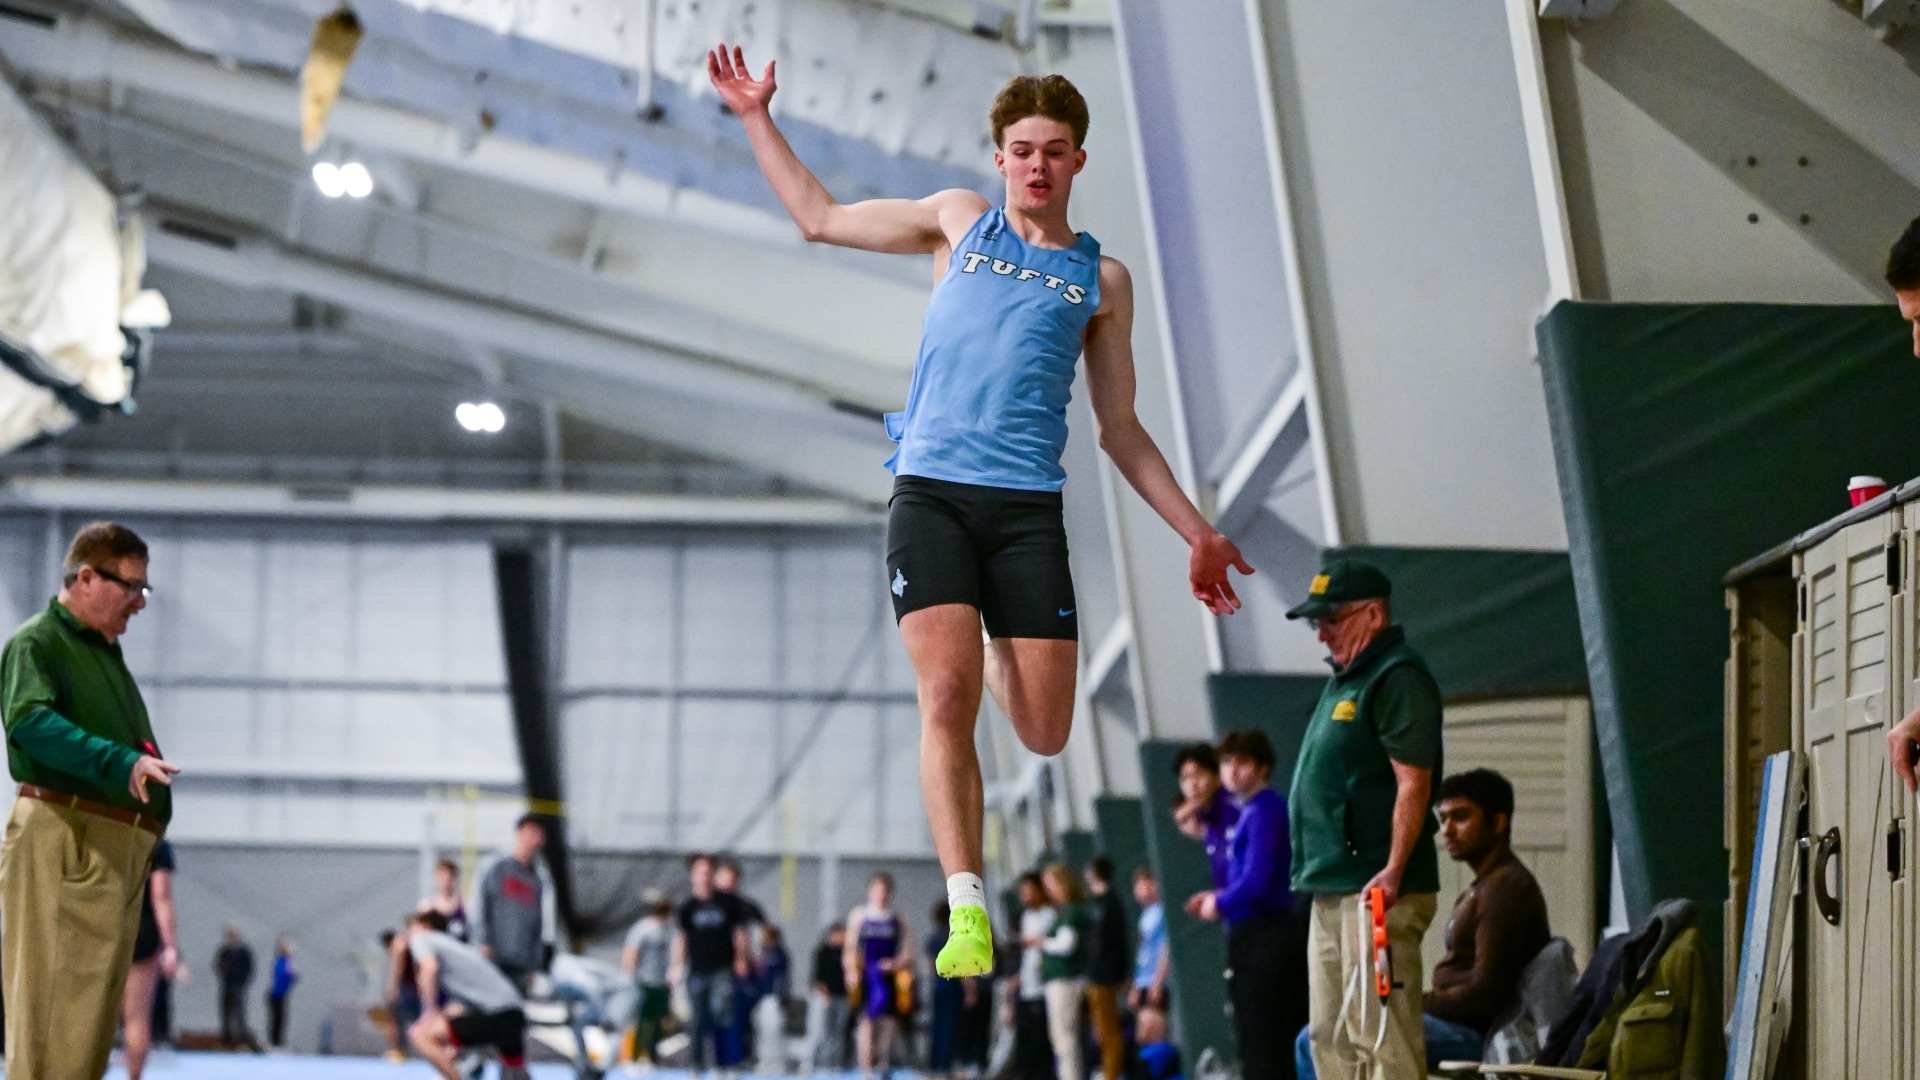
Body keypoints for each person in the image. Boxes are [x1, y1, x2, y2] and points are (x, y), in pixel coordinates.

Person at [706, 46, 1253, 981]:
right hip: (931, 494)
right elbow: (820, 217)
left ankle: (996, 632)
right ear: (999, 158)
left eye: (1055, 149)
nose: (1036, 163)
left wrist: (1196, 530)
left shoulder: (1102, 281)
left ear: (1079, 161)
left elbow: (1120, 430)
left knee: (1044, 729)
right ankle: (968, 908)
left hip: (1027, 512)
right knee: (946, 695)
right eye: (1021, 148)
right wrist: (757, 115)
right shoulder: (958, 223)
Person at [0, 521, 177, 1078]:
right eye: (130, 586)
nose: (138, 602)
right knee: (52, 1023)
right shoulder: (38, 642)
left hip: (103, 847)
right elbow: (29, 723)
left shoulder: (102, 652)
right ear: (85, 577)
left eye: (143, 590)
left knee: (84, 1033)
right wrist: (119, 762)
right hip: (67, 838)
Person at [1286, 559, 1444, 1080]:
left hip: (1375, 889)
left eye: (1332, 619)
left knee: (1382, 1036)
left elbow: (1412, 781)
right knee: (1329, 1036)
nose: (1322, 634)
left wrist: (1395, 868)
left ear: (1373, 615)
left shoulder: (1397, 676)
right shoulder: (1344, 682)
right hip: (1331, 886)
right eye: (1317, 623)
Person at [1292, 769, 1552, 1077]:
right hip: (1455, 1024)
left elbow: (1484, 997)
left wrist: (1414, 1001)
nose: (1448, 830)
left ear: (1498, 821)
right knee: (1330, 1032)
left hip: (1476, 1034)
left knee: (1324, 1039)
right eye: (1443, 820)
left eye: (1461, 817)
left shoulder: (1508, 888)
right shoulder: (1486, 884)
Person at [1186, 730, 1306, 1080]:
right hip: (1254, 934)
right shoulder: (1247, 813)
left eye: (1242, 762)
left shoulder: (1265, 809)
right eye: (1226, 763)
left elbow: (1256, 880)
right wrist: (1216, 898)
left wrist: (1218, 902)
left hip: (1267, 936)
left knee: (1266, 1037)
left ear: (1262, 766)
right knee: (1256, 1036)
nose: (1232, 771)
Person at [407, 910, 530, 1080]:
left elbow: (429, 968)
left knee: (421, 1034)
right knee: (517, 1074)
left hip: (496, 1014)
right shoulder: (457, 949)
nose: (407, 933)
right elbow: (461, 1006)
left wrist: (429, 1011)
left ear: (426, 927)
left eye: (411, 927)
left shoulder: (424, 939)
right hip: (514, 1015)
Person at [671, 852, 752, 1071]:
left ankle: (724, 1064)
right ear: (692, 875)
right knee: (698, 1019)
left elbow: (740, 933)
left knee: (722, 1013)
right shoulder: (687, 906)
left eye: (708, 872)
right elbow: (681, 939)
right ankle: (696, 1065)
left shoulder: (728, 903)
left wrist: (741, 958)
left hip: (722, 969)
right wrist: (677, 966)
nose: (705, 877)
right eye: (700, 872)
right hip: (697, 970)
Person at [472, 814, 552, 992]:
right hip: (494, 958)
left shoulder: (538, 879)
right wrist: (483, 942)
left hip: (522, 964)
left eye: (539, 834)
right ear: (520, 833)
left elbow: (538, 924)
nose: (536, 839)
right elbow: (480, 906)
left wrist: (534, 965)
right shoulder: (496, 868)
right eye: (532, 832)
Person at [846, 872, 913, 1079]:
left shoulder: (897, 918)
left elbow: (910, 950)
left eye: (885, 891)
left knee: (889, 1022)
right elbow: (850, 948)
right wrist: (851, 972)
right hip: (867, 974)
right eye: (877, 890)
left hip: (889, 975)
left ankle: (883, 1063)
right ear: (870, 891)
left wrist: (896, 963)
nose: (881, 895)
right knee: (866, 1021)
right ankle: (866, 1069)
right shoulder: (860, 915)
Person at [121, 838, 178, 1080]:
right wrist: (170, 946)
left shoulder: (102, 830)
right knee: (137, 1017)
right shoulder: (156, 843)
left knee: (93, 1016)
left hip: (101, 927)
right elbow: (160, 896)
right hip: (140, 931)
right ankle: (134, 1077)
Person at [1037, 863, 1090, 1080]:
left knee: (1065, 1037)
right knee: (1061, 1037)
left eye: (1051, 885)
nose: (1048, 891)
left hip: (1066, 981)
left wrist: (1042, 943)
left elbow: (1067, 944)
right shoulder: (1063, 912)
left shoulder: (1072, 911)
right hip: (1059, 981)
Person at [1082, 857, 1130, 1080]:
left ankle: (1113, 1074)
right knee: (1101, 1032)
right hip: (1095, 975)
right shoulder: (1097, 903)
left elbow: (1118, 940)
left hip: (1106, 976)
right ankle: (1108, 1070)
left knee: (1110, 1032)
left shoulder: (1111, 903)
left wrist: (1119, 973)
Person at [1171, 742, 1238, 889]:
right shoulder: (1206, 818)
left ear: (1217, 776)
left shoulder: (1235, 808)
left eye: (1199, 774)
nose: (1192, 785)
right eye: (1185, 778)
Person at [1009, 872, 1056, 1080]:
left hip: (1044, 987)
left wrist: (1036, 941)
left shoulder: (1049, 914)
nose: (1025, 896)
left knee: (1042, 1039)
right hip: (1028, 987)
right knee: (1027, 1038)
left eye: (1029, 891)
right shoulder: (1026, 917)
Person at [622, 892, 675, 1064]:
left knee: (659, 1021)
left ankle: (653, 1056)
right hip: (644, 981)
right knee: (643, 1021)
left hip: (662, 982)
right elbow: (631, 951)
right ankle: (636, 1056)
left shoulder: (670, 929)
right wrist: (630, 975)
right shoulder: (644, 928)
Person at [927, 900, 964, 1079]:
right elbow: (961, 965)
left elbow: (930, 966)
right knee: (950, 1026)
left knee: (938, 1025)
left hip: (938, 985)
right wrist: (969, 988)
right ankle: (947, 1064)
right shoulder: (952, 937)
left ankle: (936, 1063)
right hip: (952, 985)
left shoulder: (934, 938)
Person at [812, 922, 853, 1070]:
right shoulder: (823, 952)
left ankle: (838, 1062)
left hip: (843, 996)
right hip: (828, 997)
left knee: (840, 1031)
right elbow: (817, 978)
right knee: (827, 1031)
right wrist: (824, 995)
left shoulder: (847, 953)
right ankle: (824, 1062)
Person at [1129, 866, 1168, 1015]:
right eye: (1137, 886)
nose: (1141, 891)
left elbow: (1165, 947)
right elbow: (1142, 951)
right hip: (1144, 981)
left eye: (1145, 884)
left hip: (1159, 982)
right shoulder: (1144, 916)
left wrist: (1157, 982)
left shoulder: (1161, 913)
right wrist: (1135, 985)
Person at [383, 926, 424, 1063]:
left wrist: (392, 988)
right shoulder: (411, 943)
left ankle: (397, 1050)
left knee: (394, 1019)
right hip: (417, 988)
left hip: (407, 989)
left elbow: (397, 969)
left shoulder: (398, 946)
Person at [215, 925, 258, 1050]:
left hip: (238, 985)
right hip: (227, 984)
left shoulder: (244, 951)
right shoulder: (224, 950)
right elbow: (218, 964)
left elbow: (249, 968)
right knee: (225, 1012)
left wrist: (243, 981)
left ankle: (241, 1039)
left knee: (239, 1012)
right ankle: (226, 1038)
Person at [422, 858, 472, 942]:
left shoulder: (465, 904)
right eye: (442, 878)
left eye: (449, 878)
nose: (445, 883)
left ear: (454, 878)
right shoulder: (427, 907)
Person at [267, 937, 298, 1050]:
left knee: (281, 1018)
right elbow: (283, 976)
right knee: (277, 1018)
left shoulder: (287, 961)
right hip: (277, 994)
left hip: (282, 994)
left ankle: (278, 1041)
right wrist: (292, 976)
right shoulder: (282, 961)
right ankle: (274, 1042)